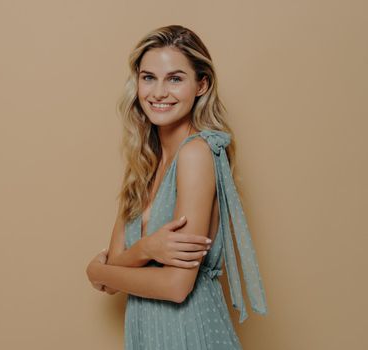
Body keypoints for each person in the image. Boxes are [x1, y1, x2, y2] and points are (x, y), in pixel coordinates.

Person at [85, 24, 268, 349]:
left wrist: (96, 272)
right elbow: (117, 261)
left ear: (201, 84)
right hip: (148, 333)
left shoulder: (196, 153)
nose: (158, 92)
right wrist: (145, 250)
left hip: (189, 333)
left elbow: (176, 285)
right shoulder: (143, 161)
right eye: (148, 77)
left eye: (175, 78)